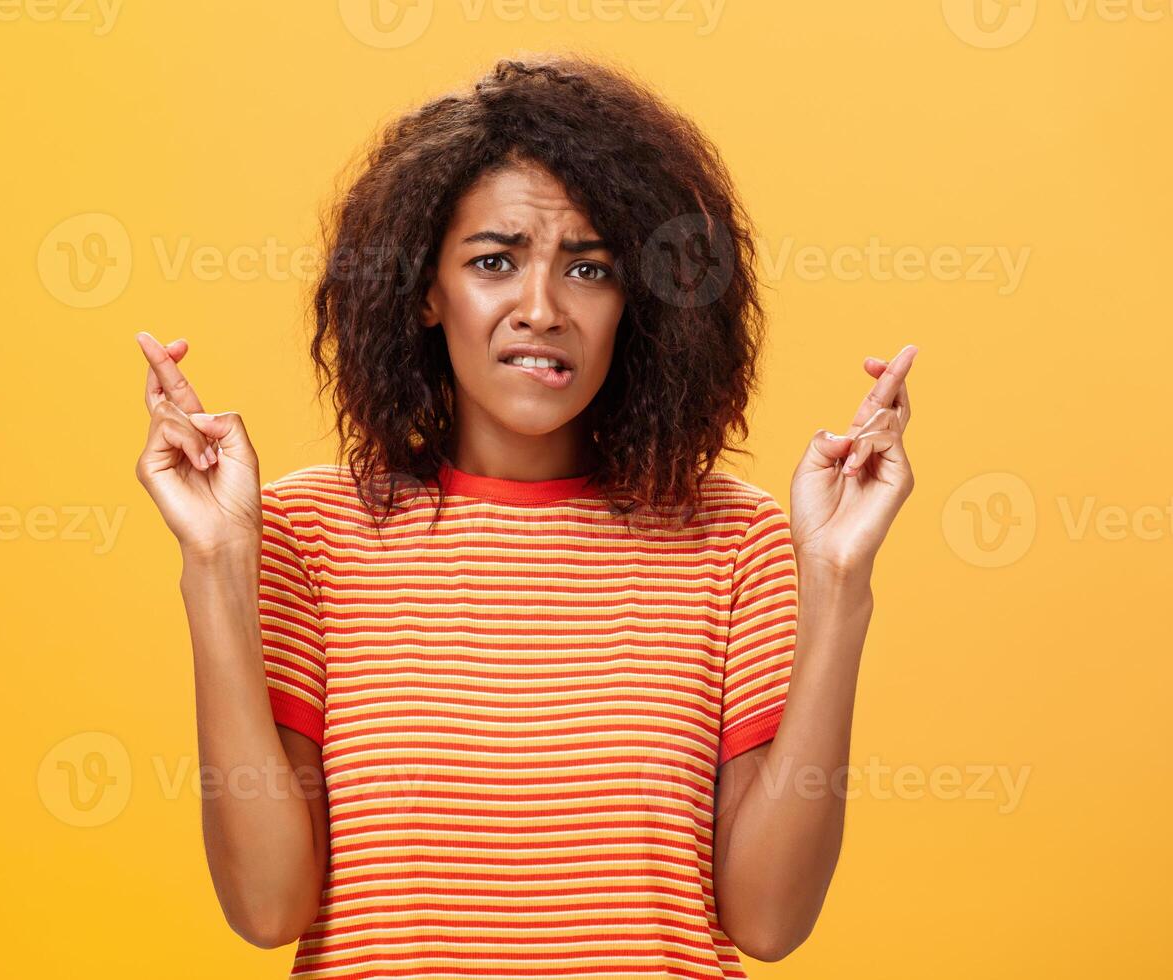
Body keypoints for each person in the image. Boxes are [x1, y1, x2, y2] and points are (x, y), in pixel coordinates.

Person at [130, 56, 915, 978]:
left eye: (588, 268)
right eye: (494, 261)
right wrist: (215, 564)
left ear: (638, 302)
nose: (539, 309)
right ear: (427, 291)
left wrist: (839, 584)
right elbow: (267, 908)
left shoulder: (732, 538)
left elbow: (769, 922)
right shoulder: (310, 537)